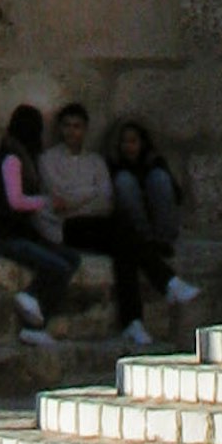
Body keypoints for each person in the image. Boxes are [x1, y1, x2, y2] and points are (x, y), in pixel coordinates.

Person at [103, 113, 199, 332]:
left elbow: (174, 194)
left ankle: (160, 246)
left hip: (160, 227)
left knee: (159, 178)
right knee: (124, 183)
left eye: (133, 141)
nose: (129, 147)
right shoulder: (115, 168)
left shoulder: (153, 163)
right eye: (124, 142)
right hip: (134, 231)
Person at [38, 104, 128, 328]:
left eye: (77, 126)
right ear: (59, 128)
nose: (71, 131)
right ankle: (165, 284)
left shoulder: (96, 161)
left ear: (85, 129)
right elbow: (59, 199)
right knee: (125, 242)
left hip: (96, 223)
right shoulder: (48, 160)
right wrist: (90, 193)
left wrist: (76, 199)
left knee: (125, 244)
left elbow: (106, 200)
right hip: (68, 227)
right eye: (67, 126)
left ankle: (133, 320)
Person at [0, 102, 71, 328]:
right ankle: (33, 310)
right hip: (5, 235)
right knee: (59, 269)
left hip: (21, 232)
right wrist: (47, 202)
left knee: (71, 259)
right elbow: (15, 200)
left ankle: (36, 309)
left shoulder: (22, 157)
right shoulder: (12, 158)